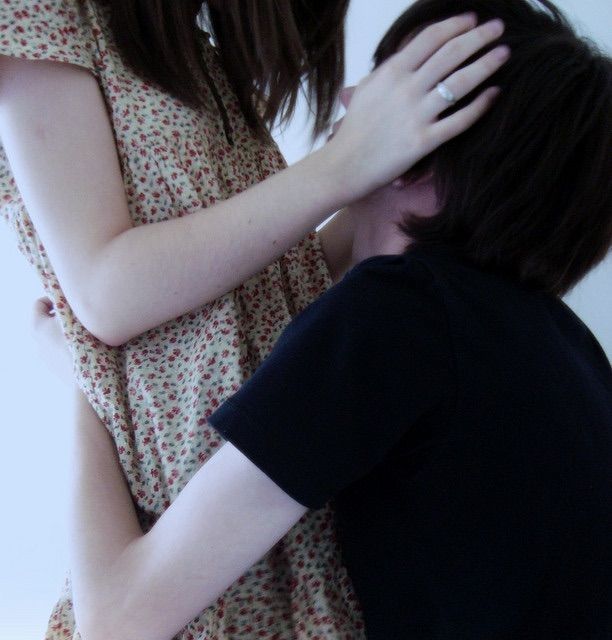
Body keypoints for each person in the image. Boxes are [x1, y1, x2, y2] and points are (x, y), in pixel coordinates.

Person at [34, 0, 612, 638]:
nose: (349, 96)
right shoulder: (567, 347)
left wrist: (87, 380)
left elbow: (118, 620)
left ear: (425, 144)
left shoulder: (395, 318)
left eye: (391, 86)